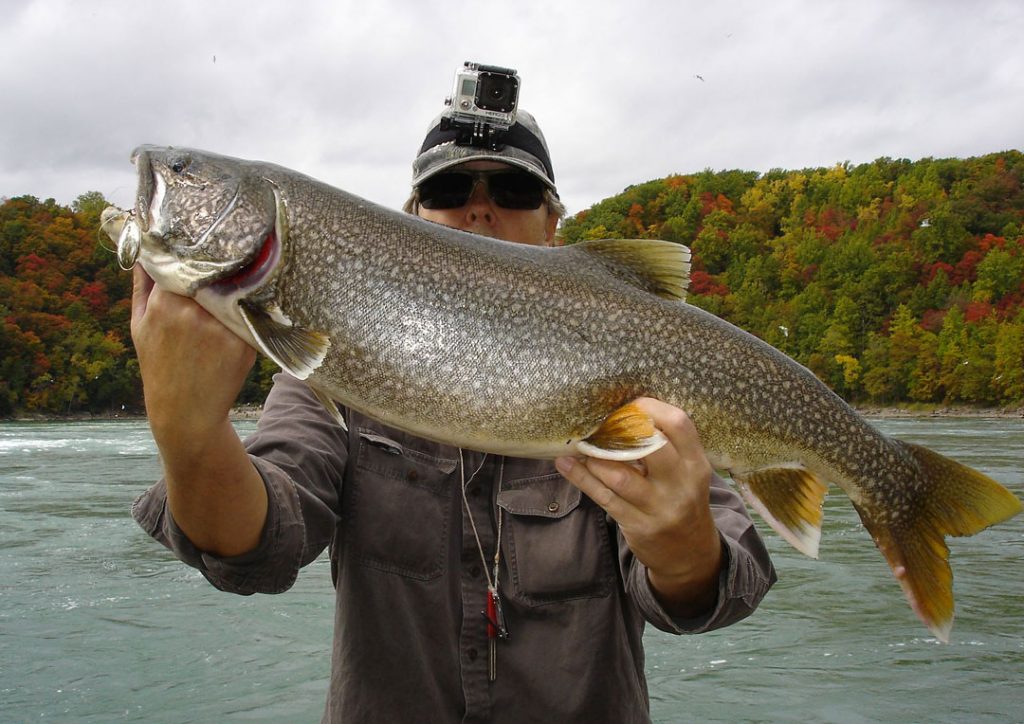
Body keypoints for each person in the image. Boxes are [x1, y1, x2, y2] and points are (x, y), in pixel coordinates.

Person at [129, 92, 777, 721]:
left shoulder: (631, 365)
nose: (480, 209)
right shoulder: (330, 365)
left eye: (513, 191)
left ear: (554, 225)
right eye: (449, 190)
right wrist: (188, 433)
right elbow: (258, 550)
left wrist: (685, 548)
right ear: (413, 212)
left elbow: (719, 589)